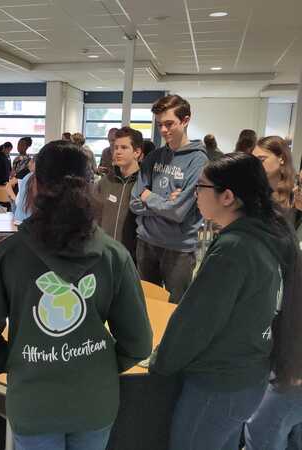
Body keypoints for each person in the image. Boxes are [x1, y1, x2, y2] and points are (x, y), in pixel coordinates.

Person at [0, 140, 152, 450]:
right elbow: (139, 343)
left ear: (36, 185)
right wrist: (101, 366)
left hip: (32, 402)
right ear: (91, 185)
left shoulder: (6, 256)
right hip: (94, 400)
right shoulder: (114, 255)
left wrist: (16, 363)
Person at [150, 152, 300, 450]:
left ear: (227, 196)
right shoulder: (268, 234)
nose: (195, 195)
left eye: (201, 188)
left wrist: (160, 364)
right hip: (250, 375)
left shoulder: (234, 248)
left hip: (218, 384)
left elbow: (198, 320)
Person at [245, 137, 302, 450]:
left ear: (282, 161)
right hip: (277, 329)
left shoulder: (285, 211)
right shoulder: (263, 205)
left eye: (262, 158)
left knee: (267, 425)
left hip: (291, 343)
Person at [130, 94, 208, 304]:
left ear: (185, 120)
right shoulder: (154, 157)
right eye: (159, 125)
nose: (163, 130)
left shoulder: (198, 161)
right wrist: (166, 202)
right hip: (146, 241)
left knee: (176, 308)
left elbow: (178, 212)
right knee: (146, 303)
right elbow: (135, 202)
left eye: (169, 124)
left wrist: (151, 197)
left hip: (179, 248)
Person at [97, 127, 142, 262]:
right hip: (105, 255)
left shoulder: (145, 183)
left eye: (124, 147)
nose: (118, 152)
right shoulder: (106, 181)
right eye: (116, 147)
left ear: (137, 152)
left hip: (134, 258)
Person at [6, 156, 37, 224]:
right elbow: (8, 185)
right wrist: (15, 198)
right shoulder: (26, 173)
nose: (30, 164)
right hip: (20, 204)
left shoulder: (35, 175)